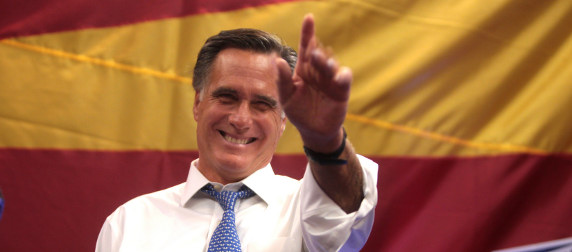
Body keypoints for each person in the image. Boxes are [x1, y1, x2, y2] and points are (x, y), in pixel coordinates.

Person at [96, 14, 378, 252]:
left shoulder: (307, 212)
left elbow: (345, 213)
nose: (241, 119)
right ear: (197, 103)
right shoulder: (128, 223)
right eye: (227, 97)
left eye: (262, 104)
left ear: (283, 120)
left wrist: (325, 139)